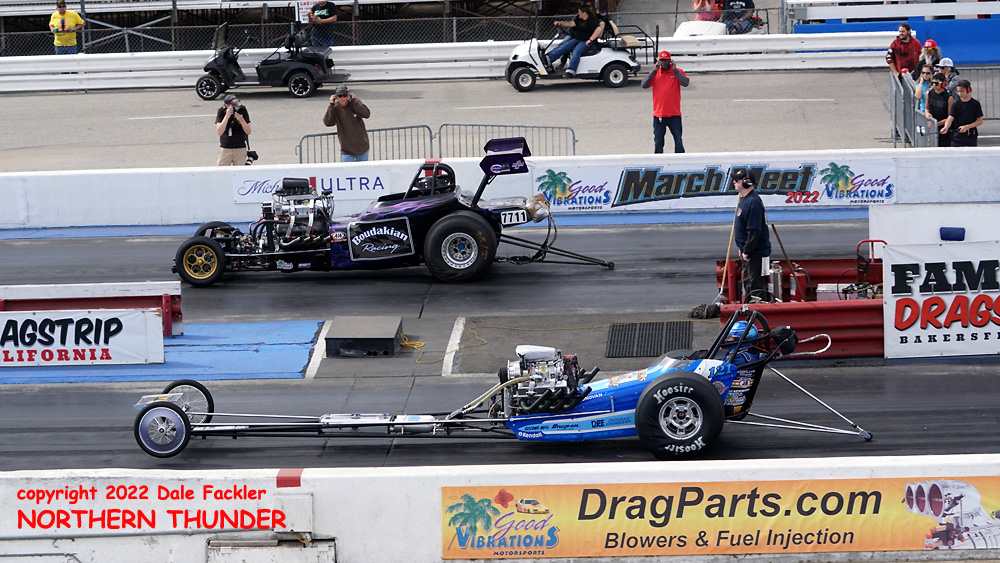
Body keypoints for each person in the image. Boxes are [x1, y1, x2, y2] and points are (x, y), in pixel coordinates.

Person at [733, 169, 771, 302]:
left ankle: (757, 309)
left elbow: (754, 230)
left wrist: (747, 250)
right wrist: (742, 247)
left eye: (736, 180)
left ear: (746, 182)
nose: (734, 182)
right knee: (748, 283)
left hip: (755, 253)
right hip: (749, 251)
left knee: (755, 285)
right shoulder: (745, 200)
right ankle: (750, 309)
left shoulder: (753, 202)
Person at [641, 50, 689, 154]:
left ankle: (680, 160)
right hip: (659, 115)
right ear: (658, 61)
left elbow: (685, 83)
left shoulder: (677, 72)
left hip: (674, 114)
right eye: (661, 60)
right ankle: (658, 161)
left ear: (670, 61)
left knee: (678, 141)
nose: (663, 63)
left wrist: (675, 71)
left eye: (666, 60)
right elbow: (644, 85)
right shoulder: (655, 73)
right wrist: (654, 71)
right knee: (658, 142)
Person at [545, 4, 603, 77]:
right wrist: (560, 23)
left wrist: (590, 40)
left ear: (584, 13)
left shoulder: (591, 20)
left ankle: (571, 71)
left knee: (576, 51)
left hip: (586, 42)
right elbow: (570, 24)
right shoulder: (579, 19)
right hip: (577, 39)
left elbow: (598, 29)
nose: (578, 13)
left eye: (579, 12)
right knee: (564, 47)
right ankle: (548, 59)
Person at [323, 84, 371, 162]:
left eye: (344, 95)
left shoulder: (354, 104)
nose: (342, 98)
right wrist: (331, 105)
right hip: (347, 150)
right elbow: (327, 122)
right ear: (336, 97)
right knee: (346, 169)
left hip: (362, 148)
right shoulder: (335, 108)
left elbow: (366, 114)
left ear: (348, 95)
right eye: (340, 96)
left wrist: (355, 100)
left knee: (363, 169)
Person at [941, 80, 984, 147]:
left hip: (970, 136)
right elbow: (951, 117)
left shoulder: (975, 104)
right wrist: (946, 127)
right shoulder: (956, 104)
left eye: (962, 91)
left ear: (968, 90)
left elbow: (980, 121)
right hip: (957, 136)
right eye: (958, 91)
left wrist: (968, 126)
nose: (960, 94)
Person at [215, 94, 252, 166]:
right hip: (225, 148)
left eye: (237, 103)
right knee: (222, 171)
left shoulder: (242, 110)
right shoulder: (221, 111)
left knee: (240, 171)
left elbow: (248, 131)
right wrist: (227, 116)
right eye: (233, 104)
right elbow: (219, 132)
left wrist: (241, 119)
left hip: (240, 148)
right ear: (227, 105)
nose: (236, 105)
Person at [924, 72, 954, 147]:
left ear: (943, 84)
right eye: (932, 83)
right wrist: (927, 114)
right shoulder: (929, 93)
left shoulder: (948, 97)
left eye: (936, 83)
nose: (934, 85)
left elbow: (950, 116)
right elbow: (927, 108)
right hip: (932, 125)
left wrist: (937, 124)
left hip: (943, 127)